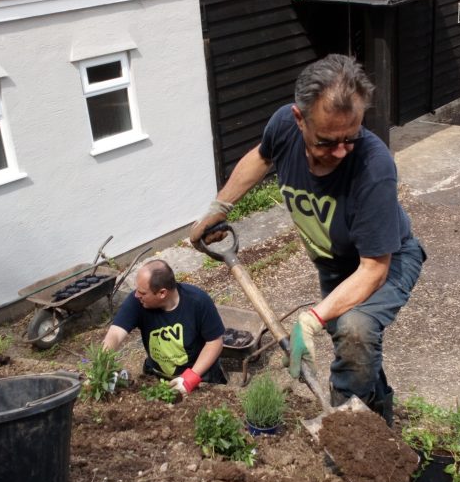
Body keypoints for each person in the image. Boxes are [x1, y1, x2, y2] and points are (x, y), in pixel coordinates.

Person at [190, 54, 425, 425]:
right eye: (327, 141)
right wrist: (220, 206)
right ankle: (380, 423)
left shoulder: (374, 167)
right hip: (334, 263)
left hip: (386, 260)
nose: (341, 151)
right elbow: (262, 156)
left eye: (351, 137)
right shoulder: (284, 125)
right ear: (299, 119)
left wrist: (311, 318)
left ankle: (347, 432)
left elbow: (374, 269)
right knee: (354, 349)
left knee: (356, 330)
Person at [102, 259, 227, 396]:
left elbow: (214, 342)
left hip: (199, 374)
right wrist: (103, 363)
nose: (137, 295)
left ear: (162, 293)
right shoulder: (136, 301)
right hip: (157, 375)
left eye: (143, 293)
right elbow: (115, 333)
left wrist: (190, 379)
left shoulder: (198, 302)